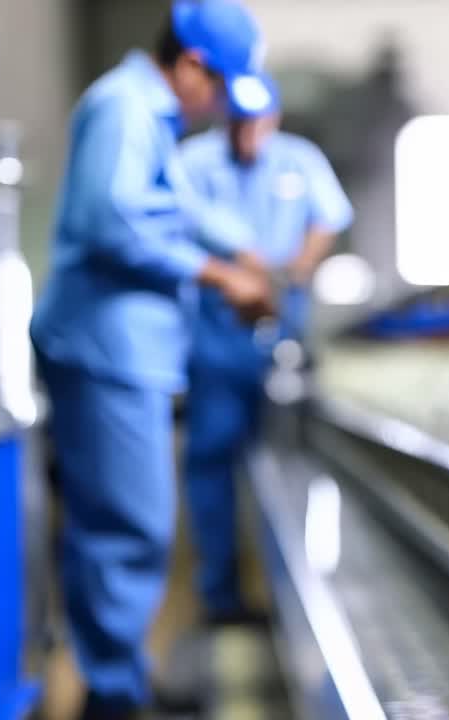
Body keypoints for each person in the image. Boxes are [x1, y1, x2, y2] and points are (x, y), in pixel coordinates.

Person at [29, 2, 274, 718]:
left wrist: (243, 249)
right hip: (104, 350)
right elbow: (111, 223)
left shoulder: (151, 117)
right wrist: (220, 275)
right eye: (222, 90)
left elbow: (180, 207)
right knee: (131, 526)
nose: (221, 108)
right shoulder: (124, 107)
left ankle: (119, 674)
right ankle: (114, 697)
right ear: (193, 66)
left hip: (122, 353)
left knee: (117, 522)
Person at [178, 72, 353, 623]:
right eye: (238, 124)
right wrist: (240, 269)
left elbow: (329, 217)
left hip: (283, 328)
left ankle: (294, 591)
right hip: (217, 334)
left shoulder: (298, 159)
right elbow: (179, 226)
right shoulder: (195, 163)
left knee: (287, 460)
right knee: (213, 460)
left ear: (273, 120)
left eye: (258, 125)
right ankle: (221, 595)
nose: (248, 136)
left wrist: (297, 267)